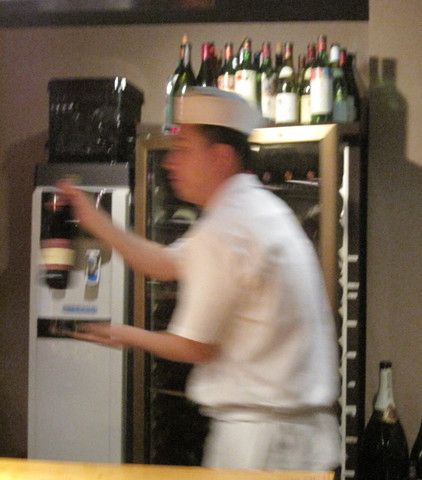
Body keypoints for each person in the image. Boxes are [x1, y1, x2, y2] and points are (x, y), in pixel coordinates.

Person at [59, 87, 341, 472]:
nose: (170, 162)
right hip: (296, 438)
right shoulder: (254, 208)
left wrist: (122, 333)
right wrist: (96, 221)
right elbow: (166, 264)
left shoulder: (226, 228)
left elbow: (194, 347)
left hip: (259, 444)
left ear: (221, 156)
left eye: (183, 147)